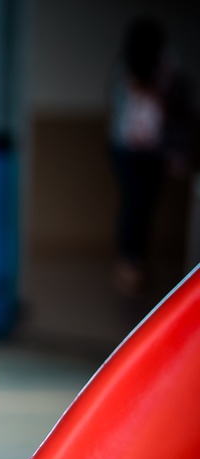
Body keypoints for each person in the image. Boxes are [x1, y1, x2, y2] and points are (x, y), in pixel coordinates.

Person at [107, 15, 194, 296]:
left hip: (153, 151)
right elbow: (121, 107)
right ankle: (130, 264)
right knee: (134, 204)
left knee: (143, 206)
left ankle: (136, 262)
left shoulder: (168, 67)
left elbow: (177, 105)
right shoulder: (125, 69)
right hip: (127, 149)